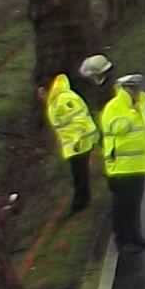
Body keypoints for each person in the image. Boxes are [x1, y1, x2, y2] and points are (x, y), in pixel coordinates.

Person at [100, 72, 145, 250]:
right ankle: (122, 240)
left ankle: (136, 236)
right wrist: (133, 114)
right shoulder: (114, 107)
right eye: (134, 89)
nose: (137, 91)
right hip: (121, 167)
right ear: (126, 89)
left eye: (138, 88)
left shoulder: (139, 105)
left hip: (137, 165)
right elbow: (116, 128)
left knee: (134, 204)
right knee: (121, 206)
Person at [43, 68, 100, 211]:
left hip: (78, 144)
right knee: (80, 175)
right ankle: (82, 201)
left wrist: (76, 140)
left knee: (79, 175)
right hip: (75, 144)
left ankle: (80, 203)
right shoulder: (57, 100)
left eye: (41, 91)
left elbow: (78, 120)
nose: (40, 95)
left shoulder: (63, 99)